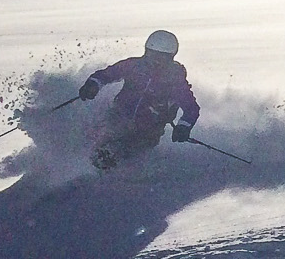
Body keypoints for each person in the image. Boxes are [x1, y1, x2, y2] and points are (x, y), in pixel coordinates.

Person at [79, 29, 201, 170]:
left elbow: (191, 108)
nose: (155, 61)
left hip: (147, 130)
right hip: (118, 116)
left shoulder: (174, 80)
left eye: (161, 58)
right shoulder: (134, 66)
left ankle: (109, 175)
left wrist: (183, 126)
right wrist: (92, 85)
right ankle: (81, 164)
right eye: (151, 55)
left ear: (170, 57)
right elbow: (107, 74)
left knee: (115, 152)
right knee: (94, 138)